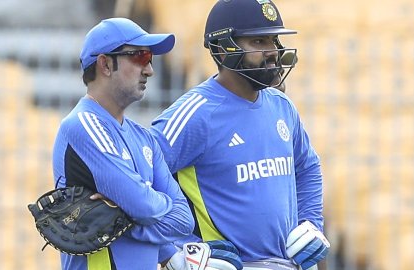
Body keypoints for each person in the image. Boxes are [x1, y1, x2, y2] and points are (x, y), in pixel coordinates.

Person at [150, 0, 330, 269]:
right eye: (258, 42)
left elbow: (307, 168)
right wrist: (174, 250)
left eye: (274, 40)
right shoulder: (195, 114)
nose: (272, 52)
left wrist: (311, 223)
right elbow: (139, 180)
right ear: (223, 51)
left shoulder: (282, 107)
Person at [52, 17, 195, 270]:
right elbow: (143, 205)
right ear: (105, 64)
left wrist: (123, 220)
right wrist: (146, 208)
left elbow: (184, 220)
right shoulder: (82, 125)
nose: (150, 69)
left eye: (150, 58)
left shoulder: (144, 137)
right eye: (140, 56)